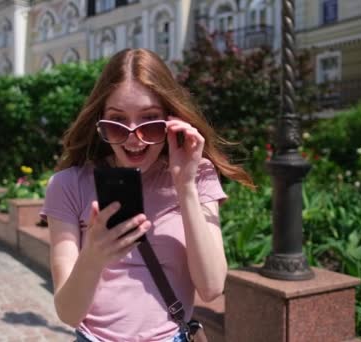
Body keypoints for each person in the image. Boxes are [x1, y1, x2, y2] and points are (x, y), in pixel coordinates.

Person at [41, 48, 253, 342]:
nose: (133, 138)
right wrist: (94, 255)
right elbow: (68, 313)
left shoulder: (198, 174)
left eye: (150, 123)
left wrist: (185, 186)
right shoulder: (67, 185)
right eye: (117, 123)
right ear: (99, 122)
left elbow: (212, 287)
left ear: (170, 120)